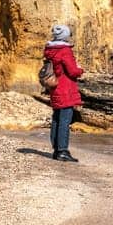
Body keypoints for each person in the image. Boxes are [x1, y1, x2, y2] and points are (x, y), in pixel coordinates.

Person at [43, 23, 84, 162]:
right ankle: (62, 151)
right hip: (65, 88)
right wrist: (80, 70)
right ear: (65, 35)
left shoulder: (50, 49)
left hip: (55, 87)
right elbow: (72, 71)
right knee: (65, 120)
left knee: (57, 118)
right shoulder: (64, 50)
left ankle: (56, 149)